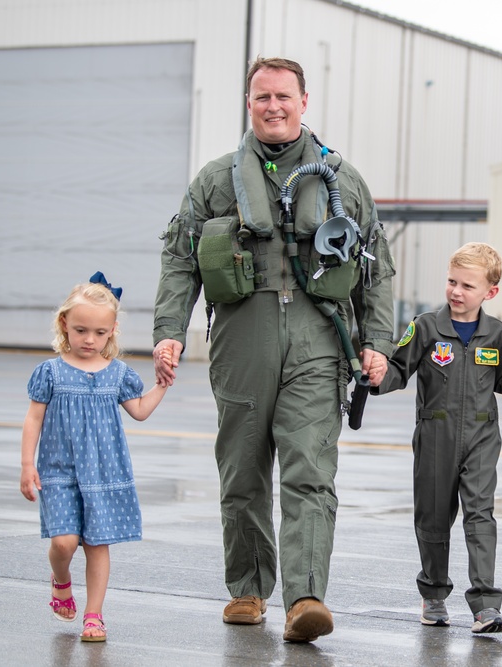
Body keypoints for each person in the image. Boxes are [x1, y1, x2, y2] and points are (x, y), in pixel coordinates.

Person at [152, 57, 395, 643]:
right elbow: (180, 256)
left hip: (317, 339)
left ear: (304, 102)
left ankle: (305, 597)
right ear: (249, 102)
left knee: (310, 470)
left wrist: (378, 341)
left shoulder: (342, 178)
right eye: (262, 97)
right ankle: (247, 589)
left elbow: (376, 268)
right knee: (242, 472)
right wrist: (170, 329)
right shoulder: (215, 181)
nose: (273, 106)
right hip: (241, 339)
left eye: (283, 96)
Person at [370, 242, 502, 633]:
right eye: (452, 281)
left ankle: (486, 605)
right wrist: (379, 377)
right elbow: (399, 370)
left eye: (467, 285)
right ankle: (433, 595)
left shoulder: (496, 333)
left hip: (482, 436)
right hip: (436, 435)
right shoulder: (426, 327)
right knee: (433, 519)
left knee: (480, 516)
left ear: (490, 292)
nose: (456, 292)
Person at [20, 274, 168, 643]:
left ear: (112, 331)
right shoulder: (50, 372)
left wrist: (162, 383)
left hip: (104, 473)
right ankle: (61, 582)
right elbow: (33, 418)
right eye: (81, 330)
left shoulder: (118, 373)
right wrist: (27, 465)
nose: (90, 340)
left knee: (97, 545)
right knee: (65, 543)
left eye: (100, 333)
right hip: (59, 472)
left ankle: (94, 615)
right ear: (64, 325)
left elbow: (139, 410)